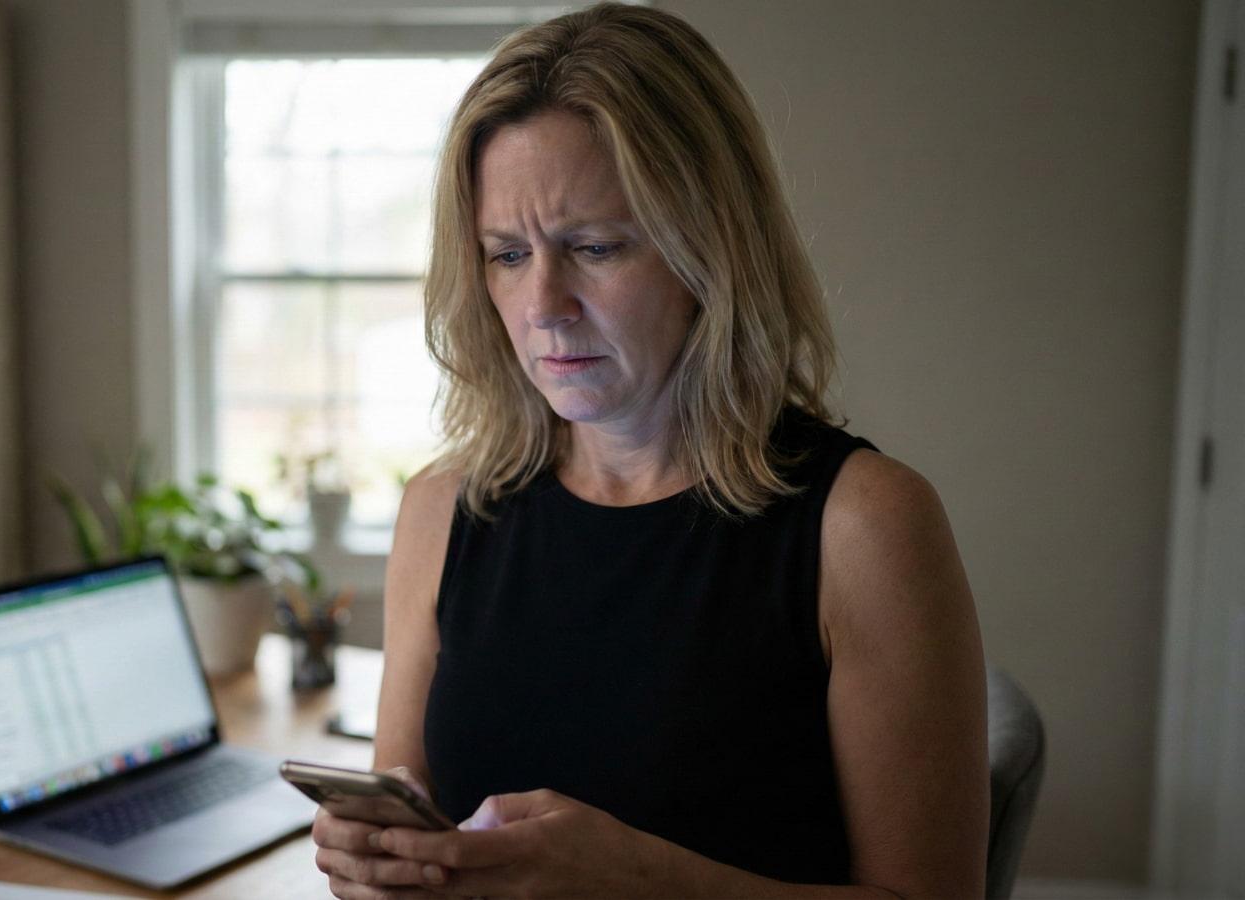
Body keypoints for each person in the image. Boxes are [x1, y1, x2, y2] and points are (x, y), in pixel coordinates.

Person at [311, 3, 989, 897]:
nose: (544, 303)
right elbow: (412, 813)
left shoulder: (865, 527)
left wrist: (639, 879)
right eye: (507, 255)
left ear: (711, 249)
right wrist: (377, 862)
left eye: (594, 247)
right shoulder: (442, 512)